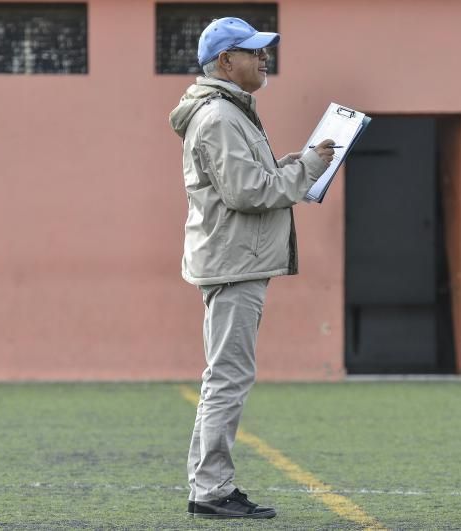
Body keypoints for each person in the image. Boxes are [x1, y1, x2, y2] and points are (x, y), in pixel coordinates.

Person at [168, 17, 337, 520]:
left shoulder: (225, 112)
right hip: (233, 263)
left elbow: (247, 181)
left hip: (232, 259)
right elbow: (249, 193)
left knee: (224, 376)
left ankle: (210, 486)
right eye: (254, 52)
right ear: (225, 62)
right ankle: (212, 491)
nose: (264, 59)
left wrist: (291, 163)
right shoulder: (220, 116)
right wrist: (305, 169)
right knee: (228, 377)